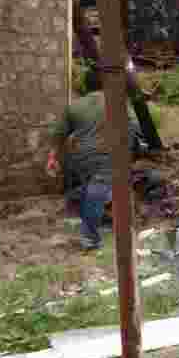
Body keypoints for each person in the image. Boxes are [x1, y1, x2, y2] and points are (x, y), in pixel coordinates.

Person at [46, 71, 141, 251]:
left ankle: (97, 216)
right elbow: (133, 128)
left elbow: (58, 136)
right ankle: (89, 237)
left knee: (93, 189)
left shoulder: (74, 106)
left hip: (80, 159)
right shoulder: (118, 102)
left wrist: (52, 158)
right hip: (107, 156)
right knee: (98, 191)